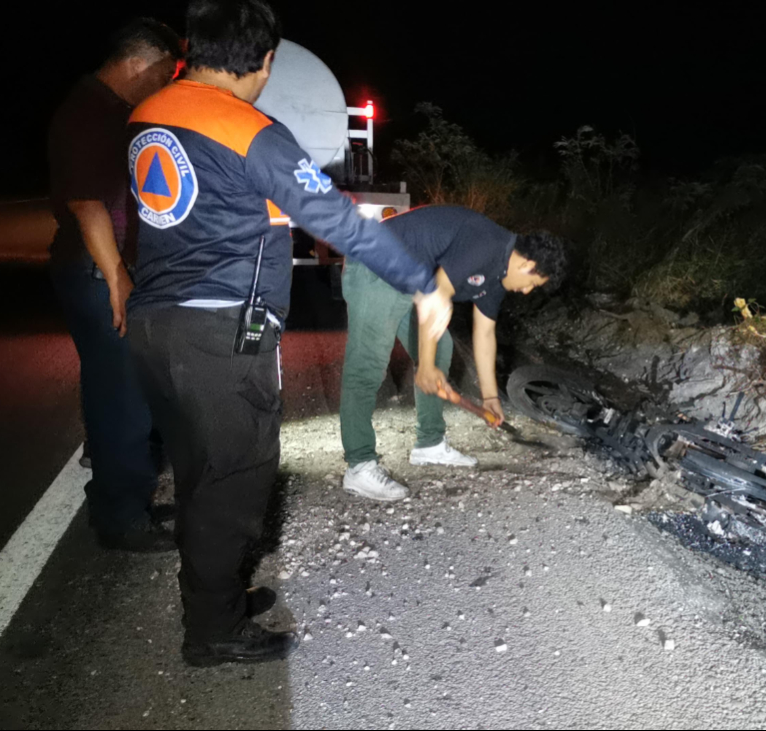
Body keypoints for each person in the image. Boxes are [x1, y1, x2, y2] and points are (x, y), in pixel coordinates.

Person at [124, 0, 448, 667]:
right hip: (218, 332)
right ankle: (212, 632)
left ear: (191, 49)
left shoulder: (149, 115)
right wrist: (420, 280)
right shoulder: (248, 131)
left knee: (197, 471)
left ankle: (219, 598)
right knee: (235, 477)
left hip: (158, 323)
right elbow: (339, 221)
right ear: (265, 61)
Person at [47, 18, 182, 552]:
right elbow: (87, 204)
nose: (165, 86)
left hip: (91, 270)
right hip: (95, 272)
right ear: (137, 65)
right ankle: (123, 516)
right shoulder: (91, 114)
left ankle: (119, 499)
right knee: (125, 398)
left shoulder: (102, 107)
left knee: (111, 391)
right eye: (164, 74)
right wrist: (118, 278)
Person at [339, 206, 567, 501]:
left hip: (408, 281)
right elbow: (438, 294)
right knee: (367, 365)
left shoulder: (498, 277)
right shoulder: (487, 243)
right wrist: (425, 367)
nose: (526, 292)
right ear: (527, 264)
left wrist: (490, 398)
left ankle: (429, 443)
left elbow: (484, 334)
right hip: (376, 265)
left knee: (441, 348)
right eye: (533, 284)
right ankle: (359, 466)